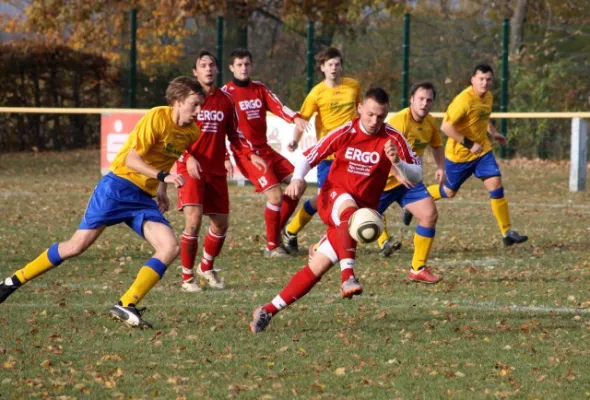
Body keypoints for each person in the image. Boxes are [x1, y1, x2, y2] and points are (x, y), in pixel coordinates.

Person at [0, 77, 206, 328]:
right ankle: (12, 281)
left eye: (201, 105)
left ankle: (126, 304)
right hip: (117, 188)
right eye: (194, 105)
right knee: (76, 246)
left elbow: (164, 157)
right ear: (177, 101)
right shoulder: (156, 117)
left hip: (143, 198)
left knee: (170, 247)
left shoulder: (191, 132)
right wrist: (165, 177)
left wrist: (162, 189)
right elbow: (132, 160)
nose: (198, 111)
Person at [249, 87, 422, 333]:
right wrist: (298, 178)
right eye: (370, 114)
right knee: (348, 211)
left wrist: (398, 162)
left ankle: (267, 310)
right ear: (360, 108)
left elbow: (416, 175)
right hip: (333, 196)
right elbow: (309, 156)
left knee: (315, 269)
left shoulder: (392, 138)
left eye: (381, 117)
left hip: (361, 214)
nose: (375, 121)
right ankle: (347, 276)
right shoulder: (346, 131)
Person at [176, 51, 266, 292]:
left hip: (215, 171)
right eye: (202, 65)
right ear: (195, 72)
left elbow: (234, 134)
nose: (207, 69)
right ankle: (187, 278)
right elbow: (173, 133)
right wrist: (188, 156)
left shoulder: (226, 100)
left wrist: (251, 154)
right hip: (190, 168)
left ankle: (206, 267)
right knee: (193, 222)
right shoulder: (186, 100)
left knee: (220, 223)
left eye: (211, 65)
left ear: (217, 71)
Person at [425, 64, 527, 246]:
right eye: (481, 79)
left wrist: (493, 133)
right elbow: (446, 127)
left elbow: (483, 117)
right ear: (472, 80)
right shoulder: (463, 101)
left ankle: (507, 233)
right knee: (448, 192)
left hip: (482, 152)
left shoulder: (488, 97)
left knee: (496, 184)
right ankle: (419, 198)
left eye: (488, 79)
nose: (485, 83)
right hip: (459, 155)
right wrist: (469, 144)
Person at [222, 48, 309, 257]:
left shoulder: (259, 88)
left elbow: (279, 106)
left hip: (266, 149)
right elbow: (222, 128)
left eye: (247, 64)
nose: (243, 68)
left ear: (251, 66)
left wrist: (295, 118)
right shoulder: (225, 94)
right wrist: (225, 156)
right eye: (239, 65)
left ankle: (275, 234)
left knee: (299, 183)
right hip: (246, 154)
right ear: (232, 68)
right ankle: (272, 246)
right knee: (275, 195)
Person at [282, 47, 361, 254]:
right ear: (323, 68)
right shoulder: (317, 92)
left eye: (337, 64)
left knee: (358, 195)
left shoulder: (353, 86)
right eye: (330, 65)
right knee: (323, 202)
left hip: (352, 154)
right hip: (328, 156)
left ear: (341, 66)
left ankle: (379, 240)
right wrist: (294, 141)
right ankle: (291, 230)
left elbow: (362, 112)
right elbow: (303, 119)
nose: (334, 68)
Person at [375, 81, 444, 283]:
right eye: (420, 99)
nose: (424, 103)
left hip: (408, 182)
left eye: (429, 100)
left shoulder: (430, 122)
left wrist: (441, 167)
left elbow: (437, 145)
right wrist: (396, 174)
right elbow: (379, 153)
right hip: (383, 182)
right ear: (411, 100)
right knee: (353, 226)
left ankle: (417, 268)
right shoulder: (399, 122)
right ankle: (319, 250)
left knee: (429, 215)